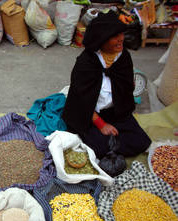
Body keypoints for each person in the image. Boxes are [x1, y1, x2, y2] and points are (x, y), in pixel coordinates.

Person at [62, 10, 151, 159]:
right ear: (101, 40)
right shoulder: (86, 62)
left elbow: (127, 87)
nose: (121, 39)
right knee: (99, 148)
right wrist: (101, 124)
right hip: (89, 114)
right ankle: (107, 144)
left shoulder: (123, 57)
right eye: (115, 36)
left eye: (122, 34)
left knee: (141, 142)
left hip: (116, 112)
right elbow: (80, 99)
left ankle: (112, 145)